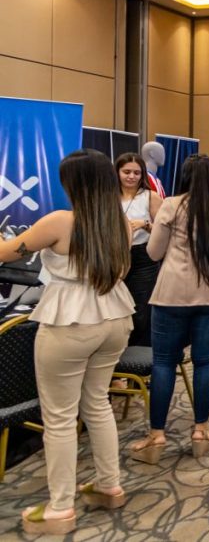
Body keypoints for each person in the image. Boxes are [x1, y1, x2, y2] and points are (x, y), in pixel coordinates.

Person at [0, 150, 134, 536]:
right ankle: (109, 485)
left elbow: (6, 252)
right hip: (114, 316)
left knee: (58, 416)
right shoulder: (122, 224)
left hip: (70, 320)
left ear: (72, 183)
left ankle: (60, 507)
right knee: (98, 403)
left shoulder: (59, 222)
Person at [131, 154, 209, 463]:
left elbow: (153, 252)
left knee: (163, 363)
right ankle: (201, 430)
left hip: (173, 294)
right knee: (205, 361)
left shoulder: (171, 205)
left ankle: (157, 435)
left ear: (184, 176)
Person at [116, 152, 163, 346]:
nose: (131, 176)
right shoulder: (108, 196)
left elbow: (164, 232)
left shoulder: (150, 197)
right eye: (126, 172)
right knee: (115, 306)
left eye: (136, 173)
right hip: (114, 255)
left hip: (143, 257)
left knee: (141, 309)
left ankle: (140, 354)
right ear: (117, 172)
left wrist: (145, 224)